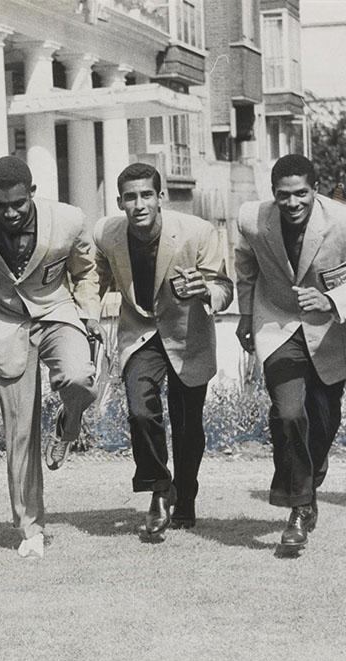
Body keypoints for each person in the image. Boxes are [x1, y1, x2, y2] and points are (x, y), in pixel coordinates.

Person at [235, 154, 346, 549]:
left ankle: (313, 472)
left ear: (315, 190)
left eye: (301, 194)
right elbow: (246, 265)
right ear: (273, 194)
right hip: (278, 325)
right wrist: (246, 313)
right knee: (288, 413)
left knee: (323, 421)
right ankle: (300, 508)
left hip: (331, 329)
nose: (292, 204)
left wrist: (332, 300)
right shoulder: (252, 219)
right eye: (283, 196)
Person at [0, 156, 102, 558]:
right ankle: (29, 528)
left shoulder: (68, 221)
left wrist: (88, 314)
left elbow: (86, 271)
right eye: (1, 205)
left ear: (32, 193)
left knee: (79, 378)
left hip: (56, 311)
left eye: (18, 203)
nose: (11, 212)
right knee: (19, 431)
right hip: (3, 322)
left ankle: (68, 424)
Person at [93, 163, 232, 535]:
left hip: (187, 334)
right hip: (140, 332)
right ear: (120, 201)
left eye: (146, 195)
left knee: (188, 426)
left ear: (160, 197)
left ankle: (185, 497)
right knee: (141, 411)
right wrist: (84, 315)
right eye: (130, 197)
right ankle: (158, 489)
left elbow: (223, 286)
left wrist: (206, 291)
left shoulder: (197, 232)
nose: (138, 204)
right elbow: (96, 280)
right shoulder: (107, 234)